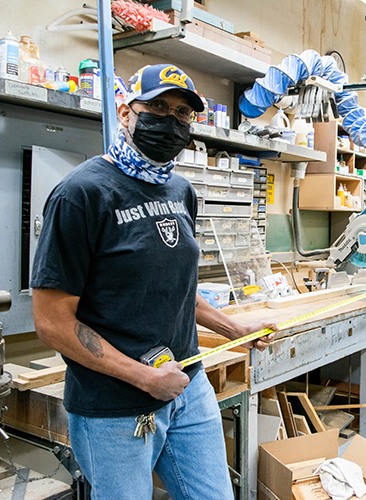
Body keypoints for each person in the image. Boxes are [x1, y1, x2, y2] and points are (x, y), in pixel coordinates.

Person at [30, 64, 276, 500]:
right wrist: (143, 378)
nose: (171, 120)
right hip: (114, 404)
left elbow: (175, 288)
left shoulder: (181, 191)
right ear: (127, 112)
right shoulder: (81, 194)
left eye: (182, 113)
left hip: (187, 385)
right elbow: (52, 322)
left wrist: (234, 330)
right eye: (158, 107)